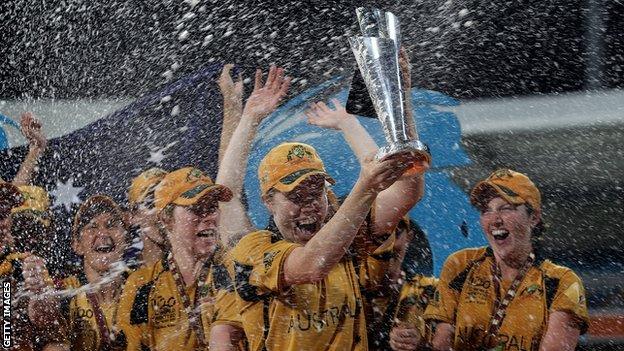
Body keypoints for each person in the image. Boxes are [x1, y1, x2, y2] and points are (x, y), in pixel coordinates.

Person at [416, 169, 589, 351]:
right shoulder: (461, 264)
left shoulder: (562, 282)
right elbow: (441, 343)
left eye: (506, 208)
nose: (495, 220)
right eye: (486, 210)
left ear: (534, 218)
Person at [118, 166, 241, 350]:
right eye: (196, 208)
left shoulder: (236, 267)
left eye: (213, 207)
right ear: (167, 219)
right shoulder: (141, 286)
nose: (208, 217)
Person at [0, 182, 64, 350]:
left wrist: (40, 301)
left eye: (3, 213)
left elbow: (49, 324)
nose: (3, 223)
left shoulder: (18, 270)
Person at [127, 167, 169, 267]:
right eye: (151, 202)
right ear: (134, 216)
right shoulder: (123, 276)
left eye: (168, 202)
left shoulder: (198, 269)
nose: (161, 211)